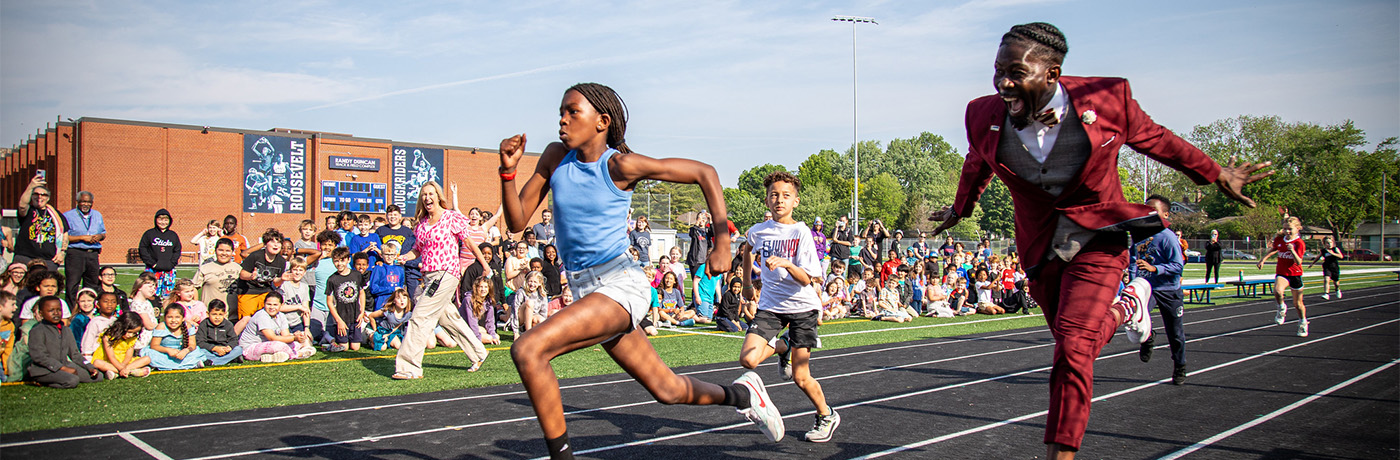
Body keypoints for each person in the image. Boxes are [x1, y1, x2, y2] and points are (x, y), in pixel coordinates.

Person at [928, 22, 1273, 459]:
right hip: (1040, 247)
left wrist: (1216, 172)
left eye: (1015, 72)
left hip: (1099, 239)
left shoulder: (1107, 98)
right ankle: (1129, 308)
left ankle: (1061, 454)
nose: (1003, 82)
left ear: (1052, 74)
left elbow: (1158, 139)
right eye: (997, 70)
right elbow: (977, 161)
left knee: (1073, 348)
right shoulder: (982, 113)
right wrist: (960, 209)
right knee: (1076, 344)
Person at [497, 82, 781, 459]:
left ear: (602, 121)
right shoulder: (554, 156)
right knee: (667, 390)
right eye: (561, 113)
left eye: (572, 112)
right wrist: (507, 172)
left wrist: (722, 241)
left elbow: (705, 172)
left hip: (620, 284)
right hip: (586, 292)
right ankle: (744, 393)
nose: (562, 121)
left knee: (528, 351)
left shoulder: (619, 165)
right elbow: (516, 222)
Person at [738, 171, 838, 442]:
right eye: (774, 195)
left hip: (802, 307)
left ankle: (826, 414)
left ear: (796, 201)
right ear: (767, 200)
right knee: (748, 360)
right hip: (771, 305)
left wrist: (786, 263)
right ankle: (783, 346)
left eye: (785, 195)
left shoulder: (802, 232)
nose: (779, 200)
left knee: (800, 376)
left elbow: (808, 278)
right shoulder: (758, 231)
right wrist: (747, 283)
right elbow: (746, 250)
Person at [390, 181, 488, 379]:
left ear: (438, 196)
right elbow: (417, 249)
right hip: (429, 276)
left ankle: (409, 367)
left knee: (420, 316)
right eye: (424, 194)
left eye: (431, 194)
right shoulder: (422, 225)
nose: (427, 198)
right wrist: (405, 257)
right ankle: (478, 352)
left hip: (447, 274)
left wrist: (485, 265)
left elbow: (469, 241)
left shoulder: (451, 217)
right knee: (448, 317)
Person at [1135, 195, 1188, 385]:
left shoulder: (1168, 237)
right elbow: (1135, 261)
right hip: (1147, 287)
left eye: (1153, 210)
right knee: (1136, 319)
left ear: (1165, 214)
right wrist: (1133, 280)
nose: (1148, 214)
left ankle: (1180, 365)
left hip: (1168, 290)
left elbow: (1178, 265)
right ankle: (1148, 338)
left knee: (1175, 333)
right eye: (1145, 210)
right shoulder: (1140, 235)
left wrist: (1155, 268)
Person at [27, 296, 104, 387]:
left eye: (59, 310)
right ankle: (44, 381)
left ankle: (60, 377)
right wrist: (62, 368)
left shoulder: (65, 330)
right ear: (41, 313)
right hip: (44, 370)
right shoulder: (37, 330)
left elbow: (75, 354)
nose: (56, 313)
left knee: (99, 376)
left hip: (64, 365)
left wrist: (89, 367)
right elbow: (39, 356)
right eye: (51, 310)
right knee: (72, 380)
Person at [1258, 216, 1309, 337]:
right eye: (1285, 229)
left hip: (1295, 274)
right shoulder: (1280, 239)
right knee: (1277, 291)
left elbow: (1298, 262)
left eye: (1290, 229)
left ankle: (1303, 322)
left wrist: (1292, 251)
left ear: (1298, 229)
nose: (1287, 232)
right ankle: (1281, 308)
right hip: (1282, 272)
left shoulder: (1299, 243)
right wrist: (1263, 259)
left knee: (1298, 304)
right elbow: (1274, 249)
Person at [238, 291, 315, 362]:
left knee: (304, 337)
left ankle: (272, 357)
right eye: (269, 304)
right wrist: (294, 338)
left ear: (281, 305)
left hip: (268, 344)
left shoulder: (281, 316)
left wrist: (297, 336)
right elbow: (272, 338)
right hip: (251, 347)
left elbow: (286, 335)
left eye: (275, 305)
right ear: (264, 304)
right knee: (278, 345)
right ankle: (299, 354)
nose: (272, 307)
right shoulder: (261, 316)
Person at [15, 174, 66, 272]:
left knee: (47, 285)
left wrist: (62, 252)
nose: (39, 197)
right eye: (36, 194)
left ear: (48, 198)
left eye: (43, 195)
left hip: (48, 259)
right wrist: (31, 186)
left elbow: (65, 234)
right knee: (22, 286)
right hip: (25, 257)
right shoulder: (29, 210)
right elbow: (22, 206)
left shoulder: (56, 214)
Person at [62, 191, 105, 306]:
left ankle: (90, 310)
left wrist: (99, 236)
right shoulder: (68, 216)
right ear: (78, 202)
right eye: (83, 202)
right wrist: (82, 238)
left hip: (92, 254)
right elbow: (63, 237)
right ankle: (71, 312)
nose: (86, 204)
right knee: (72, 285)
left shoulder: (97, 215)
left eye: (88, 202)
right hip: (76, 253)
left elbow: (103, 233)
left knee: (92, 285)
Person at [237, 229, 289, 321]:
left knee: (268, 318)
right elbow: (242, 274)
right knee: (246, 319)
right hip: (249, 291)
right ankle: (235, 335)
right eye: (272, 242)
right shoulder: (256, 256)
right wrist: (251, 276)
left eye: (279, 243)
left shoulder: (281, 261)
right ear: (265, 244)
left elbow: (276, 283)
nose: (276, 245)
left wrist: (282, 279)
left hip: (265, 291)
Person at [324, 247, 367, 352]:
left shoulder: (357, 275)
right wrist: (338, 321)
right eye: (336, 261)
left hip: (355, 317)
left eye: (342, 260)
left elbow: (362, 293)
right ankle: (330, 341)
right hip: (341, 318)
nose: (339, 264)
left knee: (355, 348)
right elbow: (329, 302)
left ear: (348, 260)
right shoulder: (332, 279)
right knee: (344, 348)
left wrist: (362, 312)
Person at [142, 304, 211, 370]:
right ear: (165, 318)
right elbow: (154, 346)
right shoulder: (161, 326)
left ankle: (191, 363)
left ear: (183, 318)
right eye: (170, 317)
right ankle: (190, 364)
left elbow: (192, 345)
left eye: (177, 317)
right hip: (164, 353)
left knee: (196, 352)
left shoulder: (188, 326)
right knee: (151, 354)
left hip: (182, 352)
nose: (173, 320)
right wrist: (168, 350)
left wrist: (186, 351)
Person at [376, 204, 422, 298]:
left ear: (400, 216)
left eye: (395, 214)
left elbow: (413, 249)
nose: (393, 217)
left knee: (402, 292)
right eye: (390, 214)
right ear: (386, 216)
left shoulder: (407, 231)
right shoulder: (381, 230)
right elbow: (377, 248)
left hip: (401, 267)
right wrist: (379, 260)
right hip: (386, 267)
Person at [91, 311, 151, 379]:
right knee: (97, 362)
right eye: (129, 332)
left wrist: (124, 367)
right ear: (121, 326)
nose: (130, 335)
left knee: (147, 359)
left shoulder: (132, 339)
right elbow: (111, 357)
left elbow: (128, 356)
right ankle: (132, 372)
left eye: (134, 333)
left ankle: (118, 372)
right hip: (109, 361)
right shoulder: (108, 337)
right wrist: (121, 368)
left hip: (124, 362)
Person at [138, 209, 182, 298]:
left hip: (168, 272)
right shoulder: (149, 234)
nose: (163, 222)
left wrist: (171, 264)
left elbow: (177, 250)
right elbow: (143, 249)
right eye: (160, 219)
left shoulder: (173, 235)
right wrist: (152, 263)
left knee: (168, 297)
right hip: (152, 271)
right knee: (151, 295)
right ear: (156, 220)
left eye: (166, 220)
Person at [196, 300, 242, 366]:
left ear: (225, 314)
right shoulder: (204, 324)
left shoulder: (228, 324)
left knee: (239, 349)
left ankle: (213, 362)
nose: (217, 317)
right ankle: (225, 360)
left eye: (220, 314)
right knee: (198, 351)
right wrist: (214, 348)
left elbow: (233, 339)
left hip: (224, 350)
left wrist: (229, 347)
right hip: (210, 351)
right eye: (214, 314)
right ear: (207, 313)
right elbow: (200, 342)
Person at [79, 291, 120, 363]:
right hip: (98, 355)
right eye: (105, 301)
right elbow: (88, 340)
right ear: (98, 304)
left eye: (113, 302)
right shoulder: (95, 322)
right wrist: (87, 357)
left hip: (114, 355)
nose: (109, 304)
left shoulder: (116, 321)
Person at [461, 277, 501, 345]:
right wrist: (477, 338)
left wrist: (493, 335)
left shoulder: (488, 300)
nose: (483, 289)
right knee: (488, 338)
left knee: (496, 336)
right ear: (476, 288)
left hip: (472, 327)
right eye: (480, 287)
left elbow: (490, 320)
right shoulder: (468, 300)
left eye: (486, 287)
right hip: (463, 326)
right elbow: (472, 321)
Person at [277, 257, 313, 333]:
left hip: (297, 323)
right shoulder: (284, 285)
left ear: (304, 272)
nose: (297, 273)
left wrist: (307, 328)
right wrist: (299, 307)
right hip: (283, 322)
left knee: (306, 341)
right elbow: (279, 307)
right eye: (295, 270)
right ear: (290, 271)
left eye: (300, 270)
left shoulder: (305, 287)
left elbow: (306, 309)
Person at [1308, 235, 1344, 299]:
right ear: (1324, 244)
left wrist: (1333, 253)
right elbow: (1318, 257)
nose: (1329, 244)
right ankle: (1326, 294)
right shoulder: (1324, 251)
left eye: (1330, 243)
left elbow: (1341, 256)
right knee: (1326, 279)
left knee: (1336, 282)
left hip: (1334, 267)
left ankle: (1337, 290)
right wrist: (1312, 264)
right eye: (1327, 243)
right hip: (1327, 266)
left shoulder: (1335, 249)